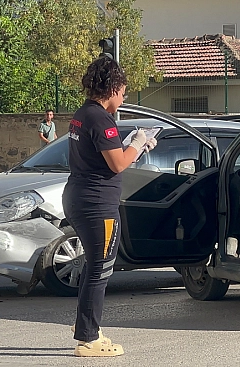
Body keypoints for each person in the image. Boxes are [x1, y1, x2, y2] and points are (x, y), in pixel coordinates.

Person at [62, 56, 156, 358]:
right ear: (113, 87)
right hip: (97, 204)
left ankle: (89, 330)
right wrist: (138, 143)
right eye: (123, 90)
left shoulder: (83, 114)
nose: (124, 97)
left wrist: (133, 147)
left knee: (93, 267)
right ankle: (89, 339)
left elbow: (105, 157)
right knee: (99, 270)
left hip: (80, 195)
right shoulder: (101, 119)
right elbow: (116, 164)